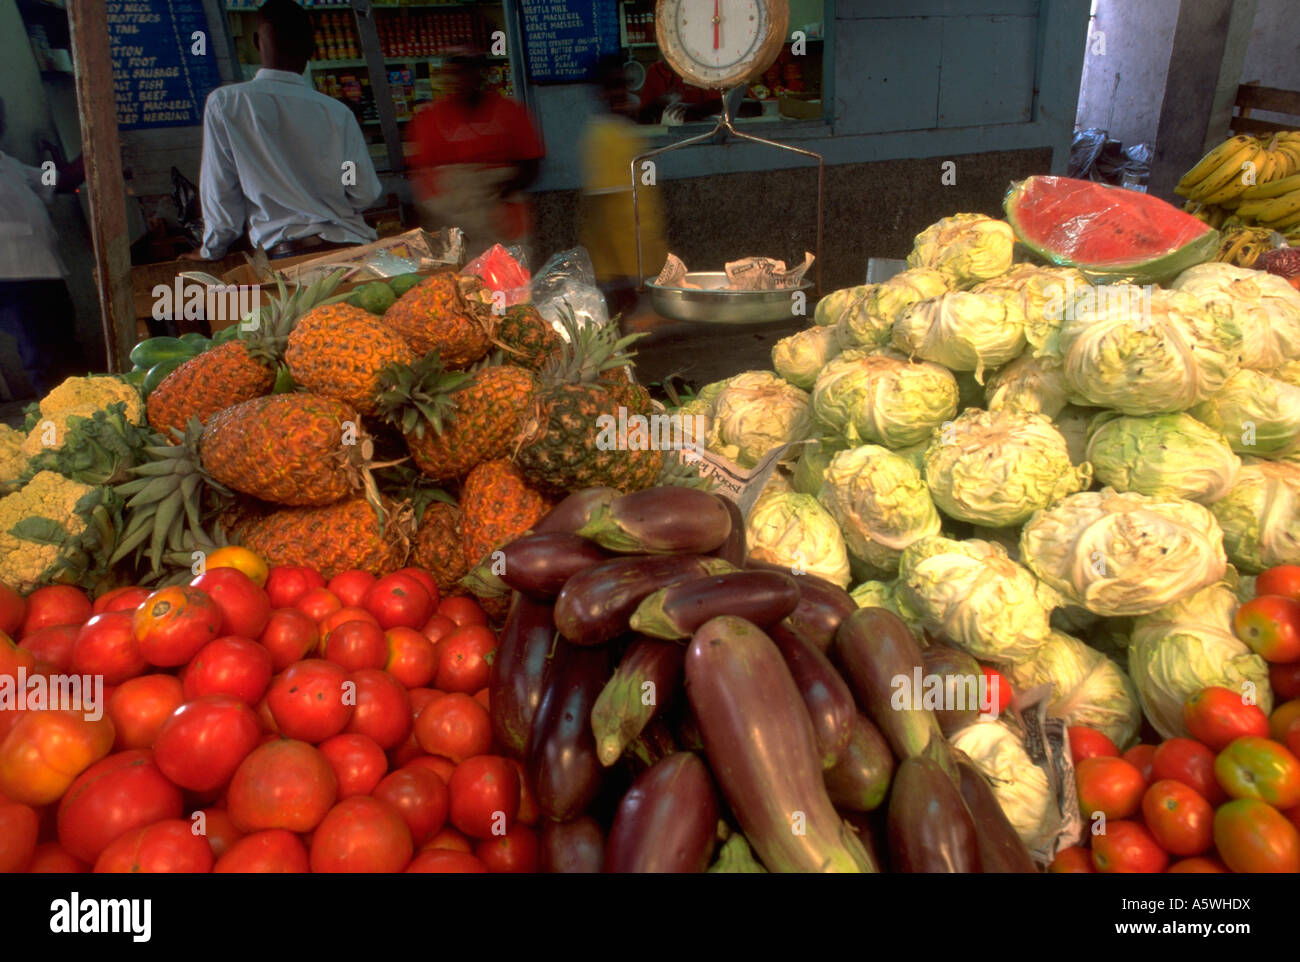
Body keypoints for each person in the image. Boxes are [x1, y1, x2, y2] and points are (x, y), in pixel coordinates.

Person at [183, 0, 381, 262]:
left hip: (289, 258)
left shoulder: (227, 104)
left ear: (257, 43)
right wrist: (331, 198)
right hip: (351, 248)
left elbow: (222, 197)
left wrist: (210, 250)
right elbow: (360, 190)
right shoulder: (336, 113)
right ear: (312, 49)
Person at [407, 49, 543, 259]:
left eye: (469, 72)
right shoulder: (429, 119)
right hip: (453, 221)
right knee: (464, 280)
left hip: (504, 219)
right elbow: (421, 176)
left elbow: (531, 165)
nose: (461, 79)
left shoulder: (511, 112)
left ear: (484, 74)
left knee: (511, 279)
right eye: (455, 73)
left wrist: (497, 195)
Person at [0, 97, 87, 397]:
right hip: (11, 278)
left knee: (65, 345)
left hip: (45, 273)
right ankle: (59, 425)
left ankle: (86, 410)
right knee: (42, 353)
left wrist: (92, 148)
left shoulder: (8, 164)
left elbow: (57, 181)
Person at [578, 56, 666, 315]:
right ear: (601, 92)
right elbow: (605, 218)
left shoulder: (624, 130)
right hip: (621, 271)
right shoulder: (601, 136)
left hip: (640, 264)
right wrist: (629, 278)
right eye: (612, 86)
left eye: (622, 85)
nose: (619, 93)